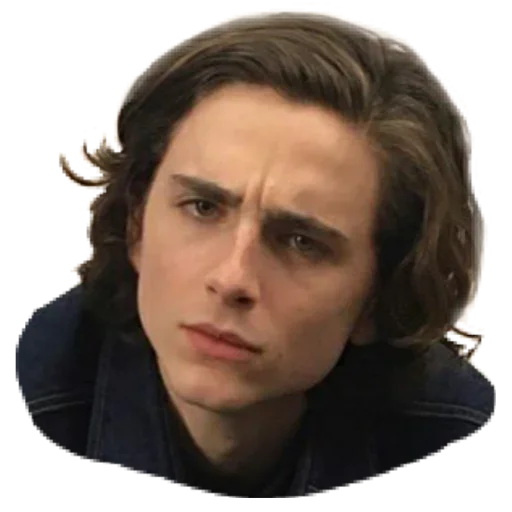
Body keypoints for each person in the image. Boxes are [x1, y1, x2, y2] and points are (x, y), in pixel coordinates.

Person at [13, 10, 494, 504]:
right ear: (136, 223)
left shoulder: (454, 429)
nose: (232, 278)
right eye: (202, 208)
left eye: (301, 242)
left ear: (379, 296)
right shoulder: (37, 385)